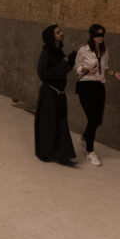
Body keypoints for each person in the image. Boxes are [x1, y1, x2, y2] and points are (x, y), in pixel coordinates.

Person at [74, 24, 120, 166]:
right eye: (97, 35)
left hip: (99, 86)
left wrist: (114, 73)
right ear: (92, 35)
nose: (100, 37)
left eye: (102, 35)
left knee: (98, 119)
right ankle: (90, 151)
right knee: (92, 119)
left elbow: (105, 68)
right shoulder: (84, 50)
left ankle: (84, 138)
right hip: (85, 86)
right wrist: (86, 69)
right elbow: (76, 66)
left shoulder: (104, 50)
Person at [35, 24, 77, 163]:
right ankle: (45, 152)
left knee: (61, 123)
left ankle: (62, 155)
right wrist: (64, 64)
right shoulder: (46, 53)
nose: (61, 33)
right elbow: (44, 74)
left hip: (59, 93)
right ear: (51, 37)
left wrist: (70, 60)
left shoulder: (59, 51)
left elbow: (62, 71)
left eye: (61, 31)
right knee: (48, 124)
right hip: (49, 93)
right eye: (58, 32)